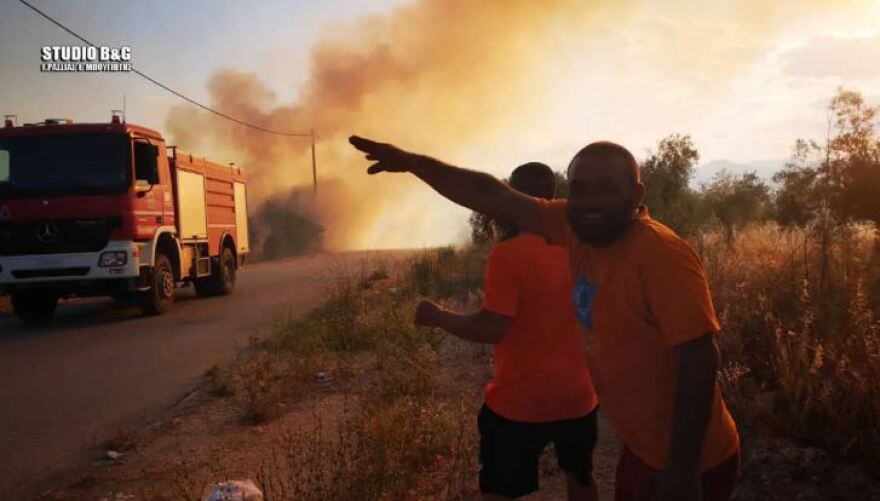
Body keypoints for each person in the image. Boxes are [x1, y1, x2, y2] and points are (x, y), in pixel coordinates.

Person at [349, 136, 740, 501]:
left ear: (636, 194)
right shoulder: (575, 227)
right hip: (643, 450)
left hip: (693, 461)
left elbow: (700, 358)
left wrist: (682, 469)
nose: (590, 201)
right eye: (580, 189)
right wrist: (412, 163)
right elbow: (491, 195)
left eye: (606, 188)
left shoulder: (660, 255)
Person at [414, 162, 600, 501]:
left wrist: (438, 316)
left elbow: (493, 328)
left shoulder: (508, 253)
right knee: (581, 477)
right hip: (579, 397)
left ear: (510, 198)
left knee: (498, 491)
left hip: (520, 402)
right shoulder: (580, 244)